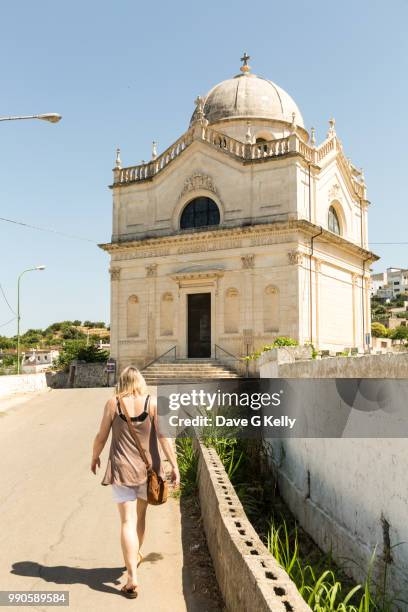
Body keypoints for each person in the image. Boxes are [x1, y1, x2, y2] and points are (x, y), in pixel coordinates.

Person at [91, 366, 180, 598]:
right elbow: (164, 437)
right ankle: (136, 555)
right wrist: (175, 465)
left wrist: (94, 456)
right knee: (140, 518)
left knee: (126, 522)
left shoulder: (113, 404)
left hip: (121, 471)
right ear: (140, 381)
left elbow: (101, 436)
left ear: (122, 382)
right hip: (147, 472)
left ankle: (132, 576)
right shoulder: (152, 403)